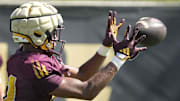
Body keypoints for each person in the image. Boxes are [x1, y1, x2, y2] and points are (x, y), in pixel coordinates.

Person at [4, 1, 147, 101]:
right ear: (37, 34)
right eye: (53, 32)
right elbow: (86, 91)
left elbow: (82, 74)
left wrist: (105, 46)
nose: (56, 36)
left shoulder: (31, 56)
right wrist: (120, 57)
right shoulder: (34, 64)